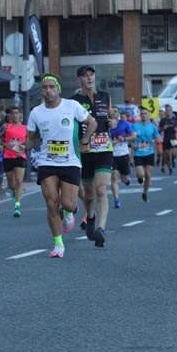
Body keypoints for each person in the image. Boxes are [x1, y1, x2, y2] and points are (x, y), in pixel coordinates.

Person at [24, 73, 97, 258]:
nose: (48, 91)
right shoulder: (36, 112)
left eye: (52, 87)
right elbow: (31, 140)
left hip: (70, 161)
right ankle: (58, 243)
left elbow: (92, 122)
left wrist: (85, 141)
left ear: (58, 89)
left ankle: (69, 212)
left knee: (68, 203)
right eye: (45, 88)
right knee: (51, 203)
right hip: (47, 161)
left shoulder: (71, 106)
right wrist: (22, 147)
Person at [71, 65, 113, 247]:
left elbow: (111, 115)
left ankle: (101, 229)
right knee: (89, 195)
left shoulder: (105, 96)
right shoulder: (74, 101)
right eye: (85, 76)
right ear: (79, 80)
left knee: (102, 190)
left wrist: (114, 120)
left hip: (104, 148)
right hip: (85, 150)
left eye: (91, 75)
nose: (89, 78)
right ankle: (90, 216)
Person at [0, 106, 27, 217]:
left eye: (17, 113)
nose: (15, 115)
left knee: (19, 181)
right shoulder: (6, 126)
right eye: (12, 113)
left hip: (20, 156)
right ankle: (14, 191)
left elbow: (29, 142)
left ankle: (17, 206)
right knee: (11, 183)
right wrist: (6, 145)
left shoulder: (25, 128)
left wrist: (23, 147)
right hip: (8, 156)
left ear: (20, 115)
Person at [108, 106, 135, 209]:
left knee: (123, 179)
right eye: (111, 111)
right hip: (111, 154)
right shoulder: (106, 125)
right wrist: (111, 141)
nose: (113, 113)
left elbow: (133, 135)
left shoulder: (125, 124)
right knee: (114, 177)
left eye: (115, 111)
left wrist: (124, 138)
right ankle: (116, 199)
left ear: (118, 113)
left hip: (123, 154)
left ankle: (126, 179)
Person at [132, 107, 161, 203]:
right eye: (142, 113)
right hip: (138, 153)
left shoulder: (152, 127)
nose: (144, 115)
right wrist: (132, 144)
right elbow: (131, 138)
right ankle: (140, 178)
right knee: (141, 174)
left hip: (149, 153)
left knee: (148, 175)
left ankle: (145, 193)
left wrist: (158, 140)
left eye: (145, 113)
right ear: (140, 115)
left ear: (148, 115)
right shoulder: (135, 126)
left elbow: (158, 138)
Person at [158, 104, 177, 174]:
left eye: (169, 110)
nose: (168, 112)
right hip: (165, 139)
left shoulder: (175, 119)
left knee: (174, 153)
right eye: (167, 110)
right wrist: (162, 129)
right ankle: (170, 169)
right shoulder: (163, 120)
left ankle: (173, 159)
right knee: (167, 155)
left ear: (171, 111)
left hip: (173, 138)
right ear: (165, 112)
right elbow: (158, 131)